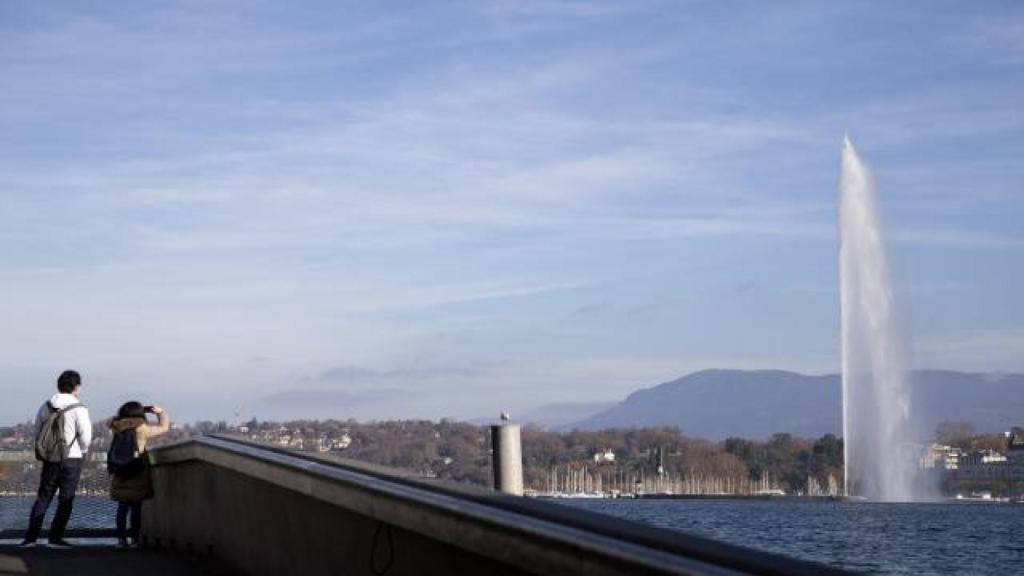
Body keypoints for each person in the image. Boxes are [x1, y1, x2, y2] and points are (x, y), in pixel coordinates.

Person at [22, 370, 93, 548]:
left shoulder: (46, 405)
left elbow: (37, 429)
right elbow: (86, 436)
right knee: (66, 499)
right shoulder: (79, 408)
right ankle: (55, 538)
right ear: (77, 387)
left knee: (44, 497)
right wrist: (82, 450)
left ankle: (31, 538)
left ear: (58, 385)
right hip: (72, 457)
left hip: (51, 457)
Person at [107, 401, 170, 547]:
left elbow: (111, 420)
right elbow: (164, 427)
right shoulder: (142, 429)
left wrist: (122, 415)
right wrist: (160, 413)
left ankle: (121, 539)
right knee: (136, 508)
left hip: (120, 471)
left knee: (122, 508)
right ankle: (135, 539)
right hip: (137, 471)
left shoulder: (116, 426)